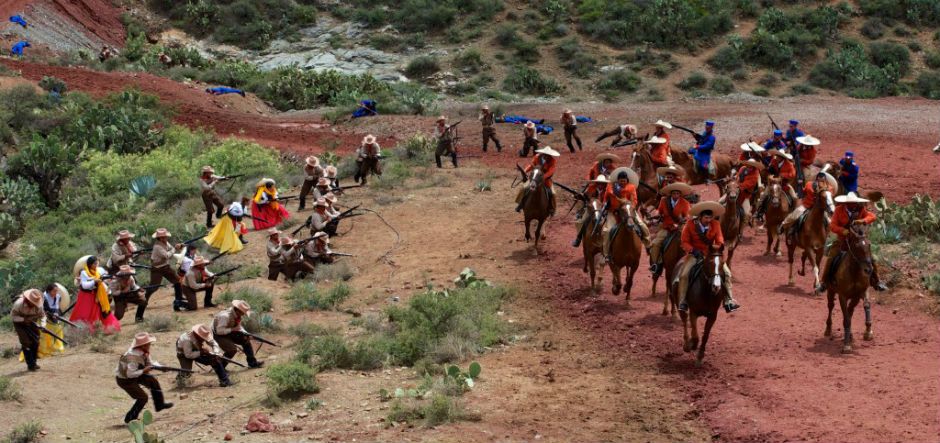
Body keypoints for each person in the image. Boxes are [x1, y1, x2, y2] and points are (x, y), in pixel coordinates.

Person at [675, 202, 739, 313]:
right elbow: (684, 241)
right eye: (706, 218)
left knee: (727, 274)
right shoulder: (690, 224)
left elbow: (719, 239)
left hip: (711, 255)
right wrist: (693, 250)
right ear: (700, 217)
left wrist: (716, 248)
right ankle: (683, 301)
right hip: (694, 255)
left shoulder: (716, 224)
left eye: (710, 218)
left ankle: (728, 300)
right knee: (684, 275)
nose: (708, 220)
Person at [816, 192, 887, 292]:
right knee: (831, 258)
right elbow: (832, 226)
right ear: (846, 203)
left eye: (854, 202)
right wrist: (842, 230)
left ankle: (877, 281)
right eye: (851, 202)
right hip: (842, 241)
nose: (853, 204)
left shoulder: (860, 209)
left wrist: (862, 220)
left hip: (858, 241)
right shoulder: (839, 210)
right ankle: (824, 282)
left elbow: (872, 216)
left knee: (870, 258)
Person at [115, 332, 174, 423]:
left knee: (153, 382)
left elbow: (150, 363)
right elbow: (130, 374)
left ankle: (159, 405)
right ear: (143, 345)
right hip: (125, 380)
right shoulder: (132, 357)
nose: (150, 345)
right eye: (148, 344)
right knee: (142, 398)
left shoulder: (143, 351)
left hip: (136, 374)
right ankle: (130, 418)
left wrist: (161, 367)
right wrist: (143, 371)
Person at [603, 167, 650, 259]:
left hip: (628, 210)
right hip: (614, 212)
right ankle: (606, 253)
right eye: (621, 181)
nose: (622, 182)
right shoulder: (610, 186)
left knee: (642, 225)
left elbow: (635, 201)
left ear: (627, 180)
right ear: (618, 180)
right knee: (607, 231)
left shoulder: (631, 187)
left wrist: (629, 206)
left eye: (624, 181)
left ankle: (648, 245)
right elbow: (606, 198)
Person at [649, 182, 693, 274]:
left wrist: (682, 220)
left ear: (680, 194)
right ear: (670, 194)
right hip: (666, 228)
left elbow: (688, 216)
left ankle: (690, 263)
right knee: (655, 244)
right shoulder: (664, 200)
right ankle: (656, 264)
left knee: (690, 242)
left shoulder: (685, 203)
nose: (675, 195)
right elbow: (659, 211)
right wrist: (657, 214)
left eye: (677, 193)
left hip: (680, 228)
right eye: (674, 193)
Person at [70, 256, 121, 333]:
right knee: (85, 313)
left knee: (100, 312)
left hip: (97, 295)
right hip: (86, 296)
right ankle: (82, 331)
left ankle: (108, 328)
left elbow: (105, 277)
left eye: (97, 263)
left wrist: (111, 277)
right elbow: (84, 285)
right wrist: (94, 281)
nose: (96, 265)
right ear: (90, 264)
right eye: (94, 264)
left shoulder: (99, 270)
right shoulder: (84, 272)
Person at [780, 170, 836, 235]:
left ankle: (827, 235)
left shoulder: (828, 188)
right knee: (794, 215)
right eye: (819, 180)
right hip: (806, 205)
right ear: (816, 180)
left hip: (819, 207)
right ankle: (783, 225)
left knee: (829, 222)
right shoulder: (809, 184)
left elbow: (830, 195)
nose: (821, 182)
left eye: (822, 181)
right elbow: (804, 192)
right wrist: (800, 187)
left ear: (825, 180)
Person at [212, 300, 264, 368]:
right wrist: (233, 329)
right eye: (243, 313)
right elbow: (219, 331)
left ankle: (252, 363)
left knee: (246, 340)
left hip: (229, 331)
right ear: (238, 311)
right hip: (219, 335)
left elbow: (239, 327)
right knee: (232, 350)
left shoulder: (237, 315)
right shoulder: (225, 316)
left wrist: (246, 333)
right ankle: (219, 368)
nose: (243, 314)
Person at [754, 149, 798, 222]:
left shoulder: (789, 164)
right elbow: (769, 170)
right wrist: (770, 175)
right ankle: (759, 212)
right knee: (763, 196)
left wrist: (782, 175)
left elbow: (792, 174)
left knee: (794, 197)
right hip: (773, 184)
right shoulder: (774, 161)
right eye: (776, 156)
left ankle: (793, 213)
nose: (776, 157)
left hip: (784, 185)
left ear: (782, 157)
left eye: (778, 156)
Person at [147, 228, 185, 312]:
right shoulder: (157, 246)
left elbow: (171, 249)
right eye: (163, 237)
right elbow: (167, 256)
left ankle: (178, 299)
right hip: (157, 269)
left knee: (177, 281)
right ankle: (144, 300)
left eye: (165, 236)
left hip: (165, 266)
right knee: (153, 287)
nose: (165, 238)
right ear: (159, 238)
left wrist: (178, 246)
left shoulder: (166, 243)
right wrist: (175, 248)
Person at [516, 146, 559, 215]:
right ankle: (520, 204)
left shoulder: (552, 160)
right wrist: (525, 171)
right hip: (535, 177)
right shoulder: (537, 157)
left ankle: (552, 208)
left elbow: (551, 171)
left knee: (553, 193)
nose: (546, 156)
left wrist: (543, 177)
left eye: (548, 154)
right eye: (545, 154)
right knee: (524, 188)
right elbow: (531, 165)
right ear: (543, 153)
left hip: (545, 180)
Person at [572, 175, 610, 248]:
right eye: (599, 183)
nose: (600, 185)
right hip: (592, 209)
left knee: (610, 226)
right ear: (597, 183)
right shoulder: (591, 188)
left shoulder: (607, 190)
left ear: (605, 184)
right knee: (583, 221)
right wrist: (579, 196)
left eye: (602, 183)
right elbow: (585, 197)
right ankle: (578, 238)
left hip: (604, 210)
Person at [12, 289, 44, 371]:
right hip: (19, 323)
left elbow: (43, 316)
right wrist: (23, 319)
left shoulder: (39, 306)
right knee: (26, 342)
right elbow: (13, 317)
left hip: (33, 323)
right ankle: (31, 365)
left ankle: (34, 363)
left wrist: (42, 325)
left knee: (36, 341)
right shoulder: (18, 304)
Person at [36, 284, 66, 358]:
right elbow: (44, 309)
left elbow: (57, 307)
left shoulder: (58, 296)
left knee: (58, 330)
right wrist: (50, 314)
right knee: (44, 335)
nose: (56, 292)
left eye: (57, 291)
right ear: (49, 291)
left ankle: (57, 348)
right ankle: (44, 351)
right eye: (54, 291)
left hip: (54, 317)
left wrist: (56, 313)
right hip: (45, 318)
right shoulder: (44, 297)